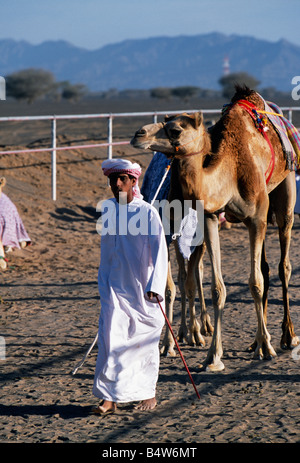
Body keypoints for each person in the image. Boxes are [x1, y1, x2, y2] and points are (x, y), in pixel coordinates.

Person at [92, 158, 168, 414]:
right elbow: (107, 251)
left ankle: (148, 393)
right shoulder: (108, 209)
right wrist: (104, 282)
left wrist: (156, 285)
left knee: (142, 341)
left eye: (122, 178)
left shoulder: (147, 212)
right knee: (111, 339)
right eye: (113, 179)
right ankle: (109, 397)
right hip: (114, 286)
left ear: (134, 181)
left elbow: (160, 252)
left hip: (142, 290)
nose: (116, 184)